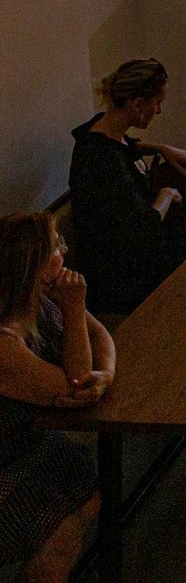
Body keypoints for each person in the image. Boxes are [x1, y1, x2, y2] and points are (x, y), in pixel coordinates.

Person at [0, 211, 113, 583]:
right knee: (59, 535)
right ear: (39, 263)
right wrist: (74, 306)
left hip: (31, 443)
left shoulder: (37, 301)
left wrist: (107, 374)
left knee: (93, 495)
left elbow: (101, 336)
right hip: (7, 463)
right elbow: (78, 382)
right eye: (57, 245)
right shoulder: (4, 345)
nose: (64, 250)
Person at [70, 60, 186, 315]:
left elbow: (121, 148)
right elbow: (143, 229)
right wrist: (165, 195)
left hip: (136, 255)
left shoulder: (99, 128)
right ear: (138, 104)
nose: (160, 110)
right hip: (121, 278)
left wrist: (160, 148)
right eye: (158, 102)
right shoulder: (99, 161)